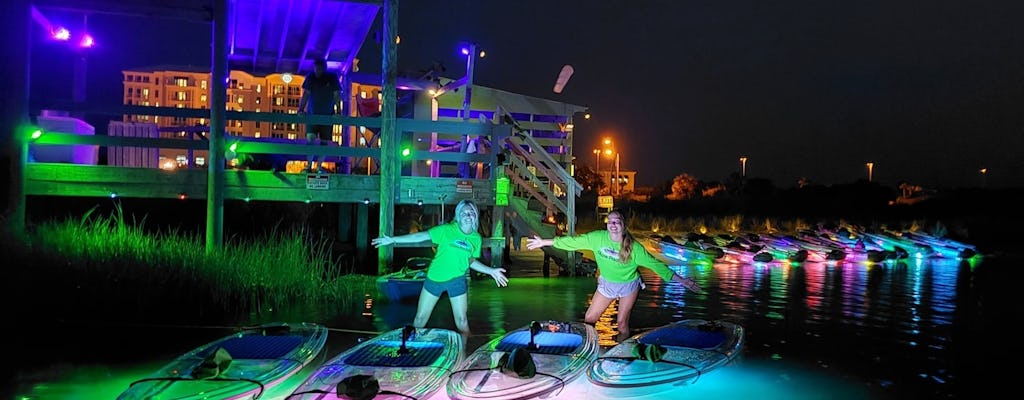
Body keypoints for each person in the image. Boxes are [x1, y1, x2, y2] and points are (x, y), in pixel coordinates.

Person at [526, 209, 703, 341]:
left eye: (616, 221)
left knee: (622, 324)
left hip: (628, 286)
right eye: (609, 221)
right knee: (589, 319)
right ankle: (589, 346)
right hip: (607, 285)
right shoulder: (597, 238)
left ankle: (623, 351)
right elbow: (572, 242)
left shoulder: (634, 248)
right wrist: (545, 242)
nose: (612, 224)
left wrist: (683, 281)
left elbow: (656, 265)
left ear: (623, 225)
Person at [371, 199, 508, 335]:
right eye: (464, 212)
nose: (468, 215)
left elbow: (470, 260)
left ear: (475, 216)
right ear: (458, 216)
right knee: (420, 319)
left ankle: (467, 351)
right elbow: (421, 236)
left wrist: (491, 271)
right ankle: (411, 345)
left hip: (457, 281)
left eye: (471, 212)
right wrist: (393, 240)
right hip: (434, 279)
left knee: (462, 321)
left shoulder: (476, 238)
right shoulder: (446, 230)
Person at [297, 58, 342, 174]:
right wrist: (301, 109)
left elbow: (337, 94)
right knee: (310, 139)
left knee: (324, 142)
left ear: (324, 68)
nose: (317, 71)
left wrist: (338, 111)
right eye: (316, 68)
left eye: (319, 69)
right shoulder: (311, 77)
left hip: (327, 115)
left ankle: (318, 167)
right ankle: (308, 166)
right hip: (312, 115)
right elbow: (306, 94)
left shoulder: (332, 77)